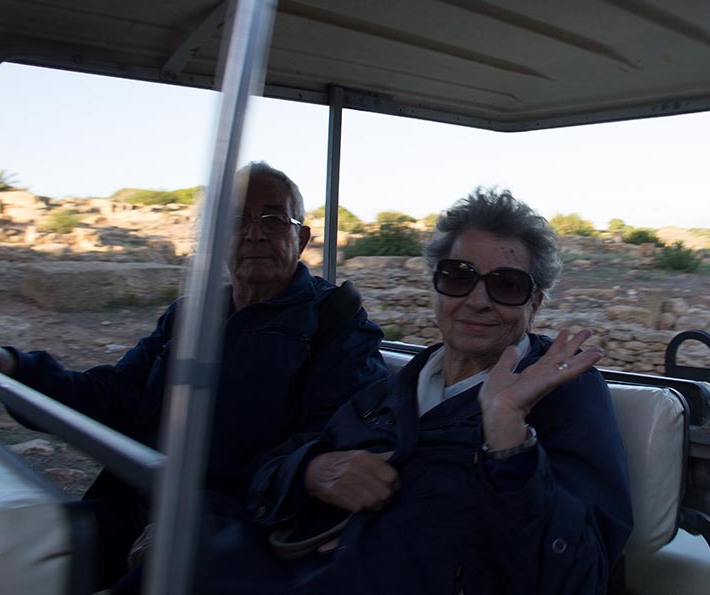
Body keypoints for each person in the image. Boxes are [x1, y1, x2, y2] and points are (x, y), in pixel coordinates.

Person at [0, 161, 390, 590]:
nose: (253, 234)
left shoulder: (335, 321)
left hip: (243, 531)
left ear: (302, 238)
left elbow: (336, 442)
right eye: (236, 221)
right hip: (142, 505)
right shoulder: (188, 316)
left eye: (273, 219)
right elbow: (114, 396)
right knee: (9, 549)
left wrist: (202, 518)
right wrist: (10, 365)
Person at [206, 187, 632, 594]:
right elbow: (266, 472)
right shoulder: (391, 392)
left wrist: (509, 441)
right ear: (437, 286)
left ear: (534, 302)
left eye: (506, 285)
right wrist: (312, 472)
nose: (478, 300)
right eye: (458, 276)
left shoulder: (563, 394)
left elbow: (578, 579)